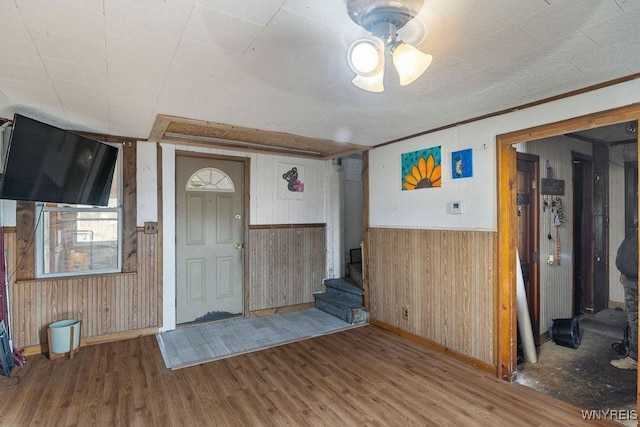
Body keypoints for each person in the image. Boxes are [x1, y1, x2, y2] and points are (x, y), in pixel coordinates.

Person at [611, 223, 638, 369]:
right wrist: (623, 271)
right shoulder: (635, 227)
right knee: (634, 321)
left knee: (637, 321)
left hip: (637, 281)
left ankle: (635, 359)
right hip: (631, 280)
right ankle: (635, 358)